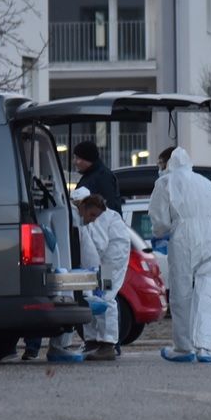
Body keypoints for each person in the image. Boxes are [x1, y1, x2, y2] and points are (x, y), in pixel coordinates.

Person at [150, 146, 211, 364]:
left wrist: (160, 233)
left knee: (182, 293)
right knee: (208, 293)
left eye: (159, 164)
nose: (159, 168)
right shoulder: (206, 183)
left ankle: (184, 348)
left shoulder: (165, 182)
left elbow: (160, 220)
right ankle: (205, 347)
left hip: (183, 236)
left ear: (167, 162)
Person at [76, 194, 130, 361]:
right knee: (94, 298)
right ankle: (94, 341)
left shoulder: (100, 219)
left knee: (105, 298)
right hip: (107, 262)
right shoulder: (106, 216)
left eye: (91, 215)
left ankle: (107, 344)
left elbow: (98, 245)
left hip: (108, 265)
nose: (90, 219)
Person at [73, 141, 121, 212]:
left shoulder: (103, 176)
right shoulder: (90, 175)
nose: (74, 162)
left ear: (87, 159)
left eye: (77, 158)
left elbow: (109, 206)